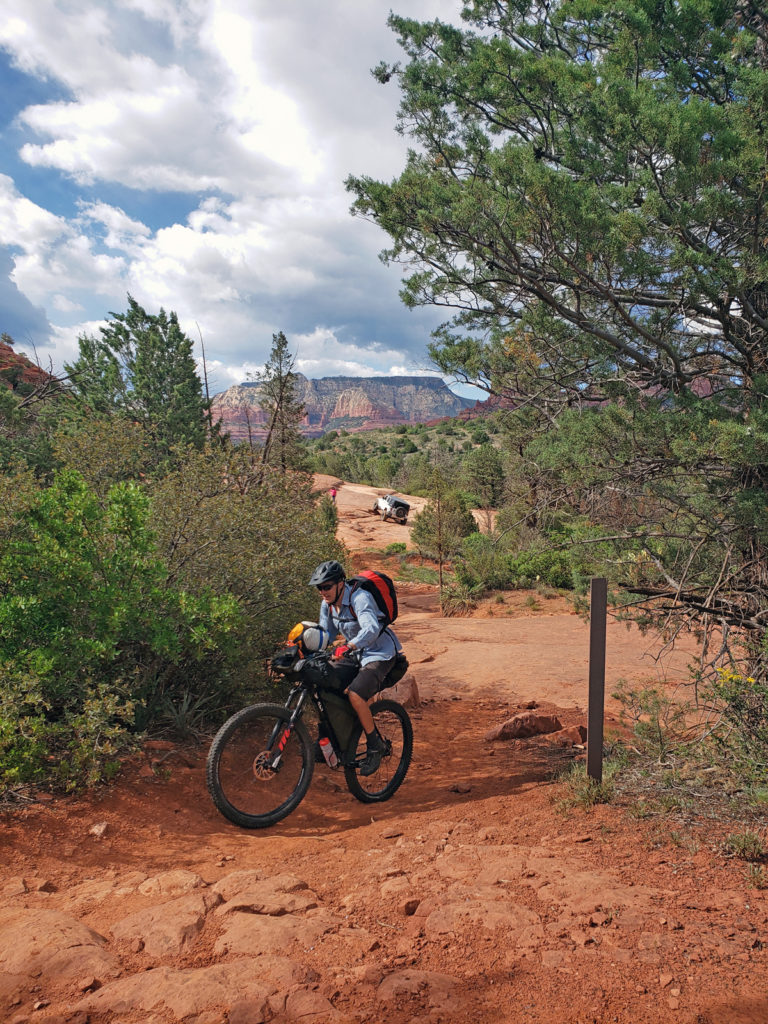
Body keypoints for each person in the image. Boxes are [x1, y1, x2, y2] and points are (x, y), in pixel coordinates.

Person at [309, 559, 402, 776]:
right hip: (356, 653)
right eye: (319, 588)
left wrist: (349, 645)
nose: (323, 591)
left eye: (327, 586)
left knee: (356, 694)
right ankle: (330, 740)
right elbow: (325, 634)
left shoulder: (360, 598)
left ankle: (375, 745)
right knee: (321, 681)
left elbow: (370, 629)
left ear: (340, 583)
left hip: (379, 652)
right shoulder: (327, 604)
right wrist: (304, 646)